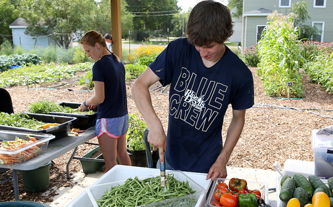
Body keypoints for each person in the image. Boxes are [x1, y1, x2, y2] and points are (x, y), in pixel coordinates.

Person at [131, 0, 254, 181]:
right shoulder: (178, 49)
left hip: (208, 169)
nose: (202, 52)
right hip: (170, 160)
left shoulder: (240, 74)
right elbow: (138, 86)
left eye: (210, 46)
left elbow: (238, 119)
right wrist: (154, 125)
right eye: (197, 45)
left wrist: (223, 158)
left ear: (226, 36)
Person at [79, 30, 131, 172]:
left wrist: (85, 102)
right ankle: (132, 183)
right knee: (122, 153)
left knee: (110, 162)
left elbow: (99, 98)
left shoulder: (99, 66)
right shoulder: (117, 60)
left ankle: (114, 193)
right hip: (122, 116)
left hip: (109, 119)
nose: (88, 55)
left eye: (88, 51)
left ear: (97, 45)